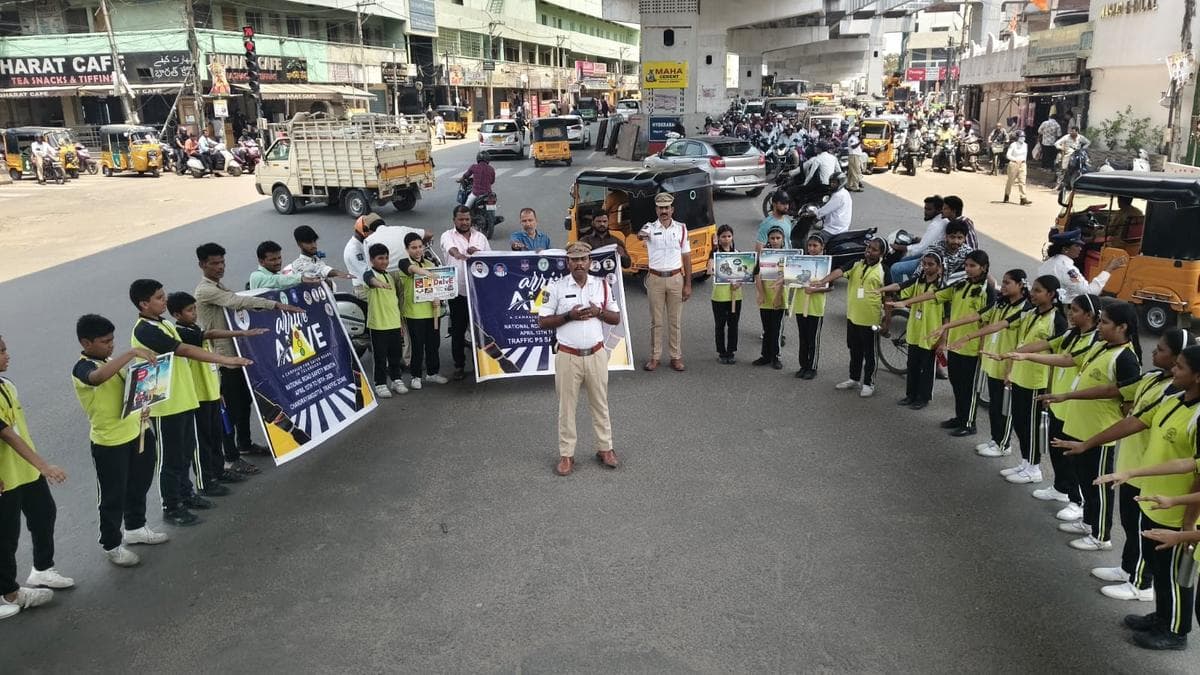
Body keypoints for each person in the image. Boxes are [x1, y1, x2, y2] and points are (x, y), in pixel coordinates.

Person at [1073, 343, 1200, 650]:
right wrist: (1089, 444)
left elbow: (1197, 473)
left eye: (1180, 367)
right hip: (1153, 500)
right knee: (1159, 569)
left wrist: (1187, 527)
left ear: (1197, 376)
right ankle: (1161, 616)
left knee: (1174, 576)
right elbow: (1134, 422)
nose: (1173, 369)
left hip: (1177, 512)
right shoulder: (1174, 398)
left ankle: (1175, 632)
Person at [1013, 301, 1143, 552]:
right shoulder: (1101, 346)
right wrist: (1027, 355)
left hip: (1100, 433)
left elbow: (1123, 399)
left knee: (1098, 485)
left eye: (1105, 322)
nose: (1100, 326)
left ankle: (1101, 536)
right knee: (1084, 479)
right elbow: (1068, 359)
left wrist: (1068, 397)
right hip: (1080, 427)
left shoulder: (1126, 358)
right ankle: (1088, 521)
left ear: (1122, 327)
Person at [129, 279, 251, 526]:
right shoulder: (144, 330)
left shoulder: (161, 322)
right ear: (143, 303)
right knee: (170, 459)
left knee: (184, 454)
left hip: (184, 398)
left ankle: (186, 495)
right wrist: (225, 359)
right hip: (165, 405)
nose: (164, 301)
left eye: (163, 296)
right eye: (159, 298)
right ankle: (171, 506)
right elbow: (182, 349)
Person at [1083, 329, 1192, 603]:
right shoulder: (1159, 384)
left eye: (1163, 351)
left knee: (1150, 540)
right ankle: (1129, 569)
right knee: (1133, 527)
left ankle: (1141, 584)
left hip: (1155, 478)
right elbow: (1131, 411)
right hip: (1135, 468)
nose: (1153, 352)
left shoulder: (1178, 397)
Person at [194, 243, 301, 475]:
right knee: (230, 410)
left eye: (222, 262)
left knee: (244, 404)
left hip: (238, 356)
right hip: (225, 360)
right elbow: (237, 302)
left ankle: (244, 444)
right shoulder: (205, 290)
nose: (220, 267)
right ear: (202, 265)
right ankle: (230, 458)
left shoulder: (218, 286)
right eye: (214, 263)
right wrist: (276, 305)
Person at [71, 315, 167, 568]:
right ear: (86, 342)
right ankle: (111, 544)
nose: (111, 345)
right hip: (110, 442)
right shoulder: (82, 367)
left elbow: (126, 393)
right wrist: (132, 352)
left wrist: (144, 403)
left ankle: (135, 527)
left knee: (140, 483)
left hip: (137, 432)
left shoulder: (109, 360)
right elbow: (97, 379)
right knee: (113, 495)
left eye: (112, 340)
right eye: (105, 341)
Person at [0, 334, 72, 620]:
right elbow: (5, 434)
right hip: (5, 477)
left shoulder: (7, 385)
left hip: (24, 470)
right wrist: (45, 465)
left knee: (44, 514)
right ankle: (8, 592)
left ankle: (42, 570)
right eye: (1, 351)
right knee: (6, 537)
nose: (7, 355)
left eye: (5, 348)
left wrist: (36, 467)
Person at [167, 292, 265, 494]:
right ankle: (205, 481)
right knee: (202, 440)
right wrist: (241, 333)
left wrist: (218, 388)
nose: (194, 313)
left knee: (216, 435)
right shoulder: (182, 333)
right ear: (177, 315)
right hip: (198, 395)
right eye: (189, 310)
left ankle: (219, 471)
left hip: (212, 390)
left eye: (194, 309)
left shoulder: (194, 327)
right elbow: (209, 336)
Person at [537, 242, 621, 477]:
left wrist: (599, 313)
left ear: (590, 262)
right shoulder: (555, 287)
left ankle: (605, 449)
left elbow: (615, 318)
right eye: (574, 260)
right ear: (567, 263)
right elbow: (542, 322)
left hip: (596, 354)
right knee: (566, 409)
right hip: (568, 356)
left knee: (600, 404)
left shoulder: (602, 286)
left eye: (583, 259)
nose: (579, 264)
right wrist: (568, 316)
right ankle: (566, 455)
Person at [892, 250, 995, 436]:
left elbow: (988, 321)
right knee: (956, 383)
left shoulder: (986, 291)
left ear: (984, 267)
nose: (968, 269)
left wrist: (982, 345)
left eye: (973, 266)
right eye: (966, 265)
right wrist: (905, 302)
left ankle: (969, 423)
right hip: (955, 344)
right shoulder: (961, 284)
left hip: (971, 347)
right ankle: (960, 417)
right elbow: (934, 295)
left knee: (968, 387)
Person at [986, 276, 1068, 484]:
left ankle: (1034, 468)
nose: (1033, 294)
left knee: (1031, 425)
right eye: (1033, 290)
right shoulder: (1030, 313)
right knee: (1020, 422)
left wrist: (1051, 388)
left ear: (1051, 294)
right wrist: (1010, 371)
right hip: (1020, 376)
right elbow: (1014, 334)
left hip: (1037, 381)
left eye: (1039, 291)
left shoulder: (1057, 319)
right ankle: (1025, 461)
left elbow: (1057, 352)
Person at [948, 269, 1033, 457]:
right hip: (992, 362)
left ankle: (1004, 444)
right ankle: (996, 439)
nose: (1003, 286)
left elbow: (1000, 327)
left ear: (1020, 285)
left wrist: (969, 336)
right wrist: (948, 326)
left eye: (1008, 283)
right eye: (1002, 282)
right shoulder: (1000, 303)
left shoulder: (1025, 310)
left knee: (1004, 408)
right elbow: (978, 316)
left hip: (1008, 365)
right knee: (994, 406)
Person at [811, 237, 887, 398]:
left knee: (870, 353)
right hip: (852, 317)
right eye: (868, 248)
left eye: (874, 250)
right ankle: (853, 378)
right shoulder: (856, 264)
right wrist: (822, 281)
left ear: (881, 253)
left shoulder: (884, 271)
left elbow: (890, 299)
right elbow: (839, 271)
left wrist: (887, 322)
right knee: (854, 349)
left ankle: (868, 383)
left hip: (871, 320)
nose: (869, 252)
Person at [878, 251, 945, 409]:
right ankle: (910, 395)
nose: (926, 267)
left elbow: (946, 317)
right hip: (915, 331)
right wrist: (882, 290)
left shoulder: (943, 288)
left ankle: (923, 398)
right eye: (924, 264)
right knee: (912, 364)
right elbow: (900, 286)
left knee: (927, 369)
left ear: (939, 267)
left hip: (930, 334)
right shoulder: (918, 282)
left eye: (931, 264)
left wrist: (943, 340)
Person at [637, 192, 692, 373]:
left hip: (676, 278)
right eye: (661, 208)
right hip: (655, 279)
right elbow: (641, 235)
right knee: (656, 321)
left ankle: (676, 356)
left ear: (672, 209)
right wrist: (642, 236)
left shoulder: (681, 229)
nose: (664, 211)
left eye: (667, 208)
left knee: (675, 321)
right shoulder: (650, 227)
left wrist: (688, 284)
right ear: (656, 209)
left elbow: (686, 256)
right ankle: (655, 357)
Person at [440, 205, 491, 380]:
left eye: (467, 219)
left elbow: (490, 260)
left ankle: (483, 365)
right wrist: (459, 255)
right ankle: (459, 366)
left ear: (471, 220)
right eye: (461, 219)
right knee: (458, 331)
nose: (464, 222)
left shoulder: (481, 237)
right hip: (458, 293)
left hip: (478, 293)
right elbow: (450, 249)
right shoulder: (447, 236)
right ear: (454, 220)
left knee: (481, 330)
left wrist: (477, 253)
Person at [396, 232, 448, 390]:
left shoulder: (430, 264)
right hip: (414, 313)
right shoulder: (403, 263)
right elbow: (411, 269)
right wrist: (425, 273)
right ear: (407, 249)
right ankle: (415, 376)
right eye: (414, 248)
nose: (418, 250)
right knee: (417, 346)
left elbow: (438, 288)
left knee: (433, 344)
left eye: (420, 246)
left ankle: (432, 373)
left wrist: (439, 298)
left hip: (433, 312)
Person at [361, 243, 407, 397]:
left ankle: (396, 379)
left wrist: (400, 322)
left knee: (395, 355)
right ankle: (380, 384)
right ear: (372, 260)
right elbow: (370, 280)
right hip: (378, 325)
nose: (384, 261)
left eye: (386, 258)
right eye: (380, 258)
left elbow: (394, 302)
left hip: (393, 323)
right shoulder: (369, 274)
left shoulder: (389, 276)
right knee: (380, 357)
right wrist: (378, 284)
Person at [1037, 229, 1127, 302]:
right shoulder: (1068, 270)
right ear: (1065, 249)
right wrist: (1109, 269)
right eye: (1076, 246)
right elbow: (1089, 292)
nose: (1080, 249)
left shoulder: (1049, 262)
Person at [794, 233, 832, 380]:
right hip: (800, 305)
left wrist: (815, 290)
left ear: (822, 247)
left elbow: (830, 287)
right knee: (802, 338)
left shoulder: (826, 264)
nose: (812, 248)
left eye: (815, 246)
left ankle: (812, 367)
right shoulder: (801, 261)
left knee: (812, 339)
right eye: (809, 245)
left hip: (815, 308)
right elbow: (793, 278)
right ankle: (803, 366)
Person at [888, 195, 948, 284]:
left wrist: (901, 247)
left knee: (895, 268)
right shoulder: (940, 221)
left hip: (932, 256)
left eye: (929, 209)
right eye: (925, 208)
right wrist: (918, 239)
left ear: (939, 210)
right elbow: (930, 240)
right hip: (931, 252)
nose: (925, 212)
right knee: (903, 260)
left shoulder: (936, 225)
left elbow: (922, 248)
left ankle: (899, 293)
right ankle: (912, 286)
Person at [753, 226, 787, 370]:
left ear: (782, 239)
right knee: (767, 329)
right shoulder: (763, 255)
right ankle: (765, 355)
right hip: (765, 298)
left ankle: (776, 356)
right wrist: (761, 294)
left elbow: (789, 276)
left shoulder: (788, 256)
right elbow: (757, 274)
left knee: (776, 329)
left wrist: (778, 296)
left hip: (779, 298)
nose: (775, 241)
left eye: (778, 238)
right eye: (772, 238)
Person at [708, 224, 743, 365]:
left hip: (736, 295)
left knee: (733, 324)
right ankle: (722, 352)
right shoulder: (714, 254)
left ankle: (731, 351)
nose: (726, 239)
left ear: (732, 237)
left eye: (729, 236)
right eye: (723, 236)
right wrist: (719, 270)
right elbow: (709, 270)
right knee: (720, 324)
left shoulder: (738, 253)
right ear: (718, 238)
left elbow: (744, 274)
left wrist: (738, 283)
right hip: (719, 296)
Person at [345, 214, 386, 300]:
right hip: (364, 289)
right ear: (364, 231)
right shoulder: (354, 250)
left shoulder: (365, 243)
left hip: (373, 284)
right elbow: (366, 271)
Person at [249, 240, 319, 290]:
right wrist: (300, 278)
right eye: (273, 260)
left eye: (279, 258)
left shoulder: (280, 275)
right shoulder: (256, 276)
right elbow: (276, 280)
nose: (278, 262)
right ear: (261, 262)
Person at [1004, 131, 1031, 206]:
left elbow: (1025, 155)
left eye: (1024, 137)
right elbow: (1008, 155)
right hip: (1013, 164)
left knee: (1022, 181)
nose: (1023, 138)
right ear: (1017, 138)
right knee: (1010, 181)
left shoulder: (1025, 145)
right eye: (1021, 137)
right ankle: (1007, 194)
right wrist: (1015, 159)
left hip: (1022, 164)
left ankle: (1023, 198)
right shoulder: (1013, 145)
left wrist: (1023, 162)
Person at [845, 126, 866, 192]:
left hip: (856, 156)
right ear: (854, 132)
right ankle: (856, 187)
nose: (859, 133)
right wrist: (860, 141)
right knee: (856, 171)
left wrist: (860, 141)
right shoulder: (852, 138)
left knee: (851, 172)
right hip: (853, 156)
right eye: (858, 131)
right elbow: (853, 146)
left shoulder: (856, 138)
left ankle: (848, 185)